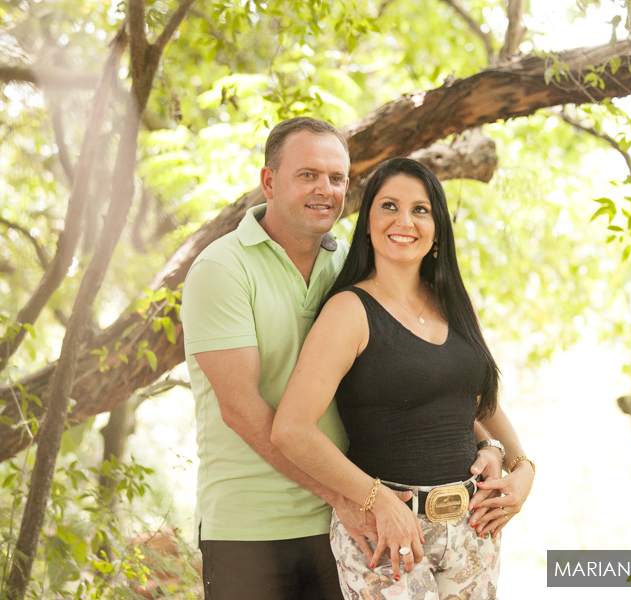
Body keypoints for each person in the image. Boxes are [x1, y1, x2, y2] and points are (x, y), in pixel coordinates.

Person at [180, 118, 523, 600]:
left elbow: (424, 385)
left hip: (354, 519)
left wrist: (497, 452)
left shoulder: (350, 266)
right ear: (269, 181)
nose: (325, 189)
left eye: (337, 178)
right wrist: (349, 496)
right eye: (308, 175)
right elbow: (240, 409)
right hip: (256, 523)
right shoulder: (222, 269)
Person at [271, 157, 536, 599]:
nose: (404, 220)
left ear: (437, 229)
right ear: (368, 223)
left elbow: (477, 402)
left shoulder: (451, 302)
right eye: (389, 206)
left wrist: (521, 467)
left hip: (473, 528)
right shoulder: (349, 311)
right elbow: (291, 430)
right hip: (388, 534)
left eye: (420, 210)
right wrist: (378, 500)